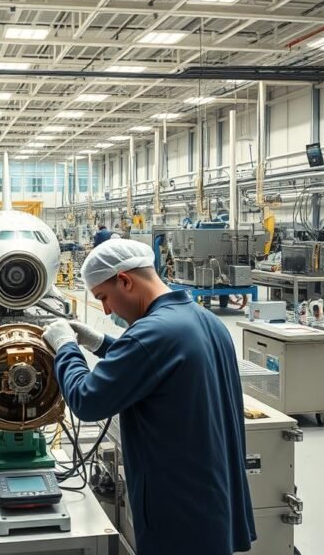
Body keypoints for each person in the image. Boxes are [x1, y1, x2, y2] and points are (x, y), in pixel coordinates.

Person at [42, 238, 255, 555]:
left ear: (125, 281)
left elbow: (87, 400)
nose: (106, 309)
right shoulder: (205, 321)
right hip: (214, 500)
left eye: (104, 297)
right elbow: (157, 368)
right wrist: (101, 343)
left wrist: (66, 349)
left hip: (178, 513)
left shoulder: (152, 333)